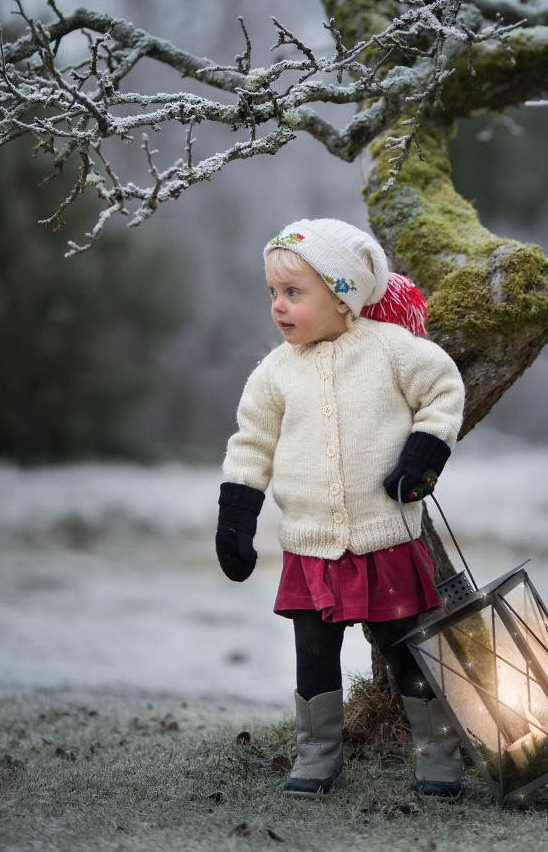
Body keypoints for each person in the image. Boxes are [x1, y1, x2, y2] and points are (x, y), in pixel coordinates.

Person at [215, 217, 465, 798]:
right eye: (273, 293)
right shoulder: (275, 373)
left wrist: (423, 454)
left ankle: (438, 752)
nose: (278, 307)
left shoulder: (391, 350)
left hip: (385, 537)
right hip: (309, 544)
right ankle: (318, 754)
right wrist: (237, 514)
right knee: (314, 654)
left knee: (408, 648)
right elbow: (250, 443)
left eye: (294, 293)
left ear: (343, 295)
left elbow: (443, 389)